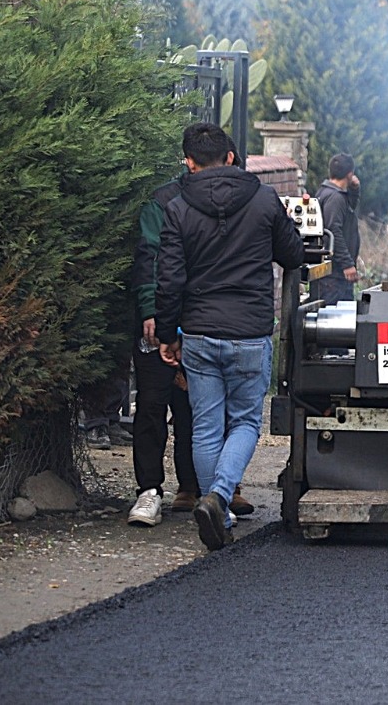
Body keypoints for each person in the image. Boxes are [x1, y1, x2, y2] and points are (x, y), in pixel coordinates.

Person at [156, 123, 304, 551]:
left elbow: (169, 280)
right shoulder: (263, 199)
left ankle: (214, 508)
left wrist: (168, 334)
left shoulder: (179, 206)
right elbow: (292, 254)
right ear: (232, 157)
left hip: (199, 332)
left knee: (204, 425)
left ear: (189, 162)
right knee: (243, 423)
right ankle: (220, 497)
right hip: (249, 331)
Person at [126, 170, 253, 527]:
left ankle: (205, 488)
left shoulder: (231, 205)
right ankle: (151, 489)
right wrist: (151, 309)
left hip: (202, 321)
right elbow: (150, 257)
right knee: (153, 403)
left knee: (201, 409)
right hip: (172, 318)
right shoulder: (164, 203)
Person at [312, 153, 361, 305]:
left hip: (332, 272)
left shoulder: (326, 192)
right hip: (335, 274)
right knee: (337, 320)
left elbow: (349, 209)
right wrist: (347, 264)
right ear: (350, 174)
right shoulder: (335, 198)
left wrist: (354, 190)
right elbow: (333, 231)